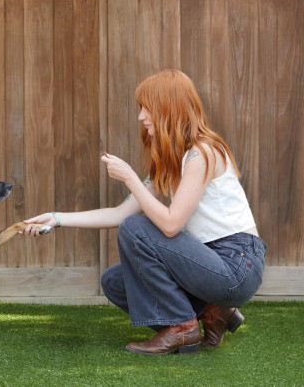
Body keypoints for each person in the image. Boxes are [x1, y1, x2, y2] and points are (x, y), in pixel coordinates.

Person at [22, 68, 266, 355]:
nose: (141, 117)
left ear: (168, 108)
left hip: (236, 265)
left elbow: (171, 225)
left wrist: (130, 179)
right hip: (207, 260)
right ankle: (213, 312)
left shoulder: (203, 153)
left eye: (146, 108)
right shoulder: (173, 161)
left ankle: (182, 328)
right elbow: (118, 213)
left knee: (136, 229)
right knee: (115, 283)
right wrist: (57, 218)